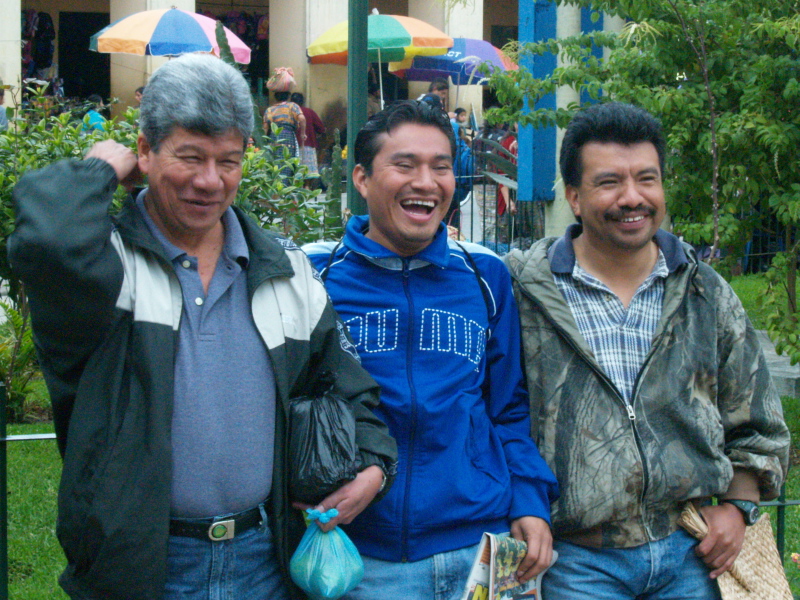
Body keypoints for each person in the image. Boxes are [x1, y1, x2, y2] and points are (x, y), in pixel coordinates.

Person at [9, 53, 397, 600]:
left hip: (267, 560)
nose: (209, 182)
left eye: (229, 161)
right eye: (189, 157)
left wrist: (375, 464)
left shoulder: (285, 270)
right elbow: (47, 239)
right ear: (144, 150)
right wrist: (97, 168)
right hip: (145, 568)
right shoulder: (105, 269)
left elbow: (346, 383)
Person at [503, 101, 791, 600]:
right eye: (609, 182)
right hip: (576, 560)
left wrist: (738, 506)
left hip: (690, 553)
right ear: (574, 196)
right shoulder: (524, 291)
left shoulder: (705, 292)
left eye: (647, 179)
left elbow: (757, 419)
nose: (632, 198)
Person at [303, 100, 558, 600]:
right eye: (404, 165)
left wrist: (529, 500)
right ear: (361, 178)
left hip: (483, 547)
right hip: (361, 558)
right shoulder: (314, 276)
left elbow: (507, 408)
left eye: (441, 167)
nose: (426, 182)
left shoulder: (486, 275)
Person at [291, 92, 325, 177]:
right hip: (308, 145)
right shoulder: (309, 112)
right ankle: (307, 187)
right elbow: (321, 128)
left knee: (295, 171)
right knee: (309, 171)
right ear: (303, 101)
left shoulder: (289, 113)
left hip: (292, 146)